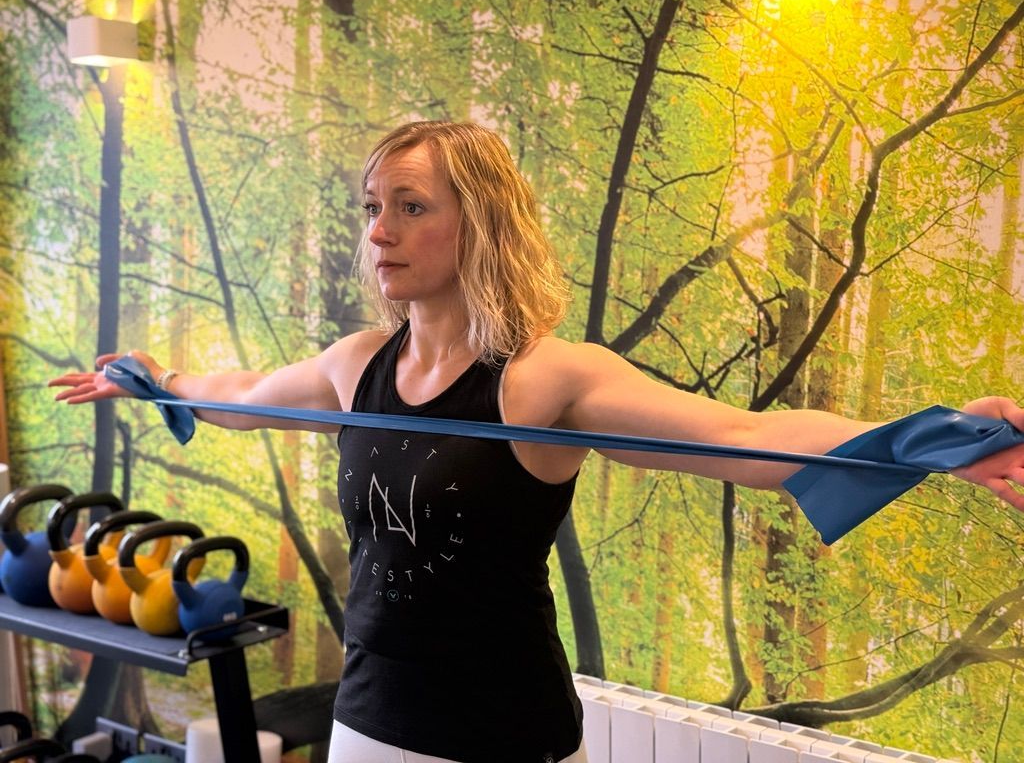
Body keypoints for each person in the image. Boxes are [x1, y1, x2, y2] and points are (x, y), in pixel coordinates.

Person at [50, 120, 1024, 763]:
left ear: (477, 222)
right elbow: (244, 396)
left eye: (411, 206)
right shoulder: (358, 365)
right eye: (371, 207)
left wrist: (936, 444)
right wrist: (151, 380)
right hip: (366, 719)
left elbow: (740, 434)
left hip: (502, 734)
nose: (379, 231)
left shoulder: (542, 378)